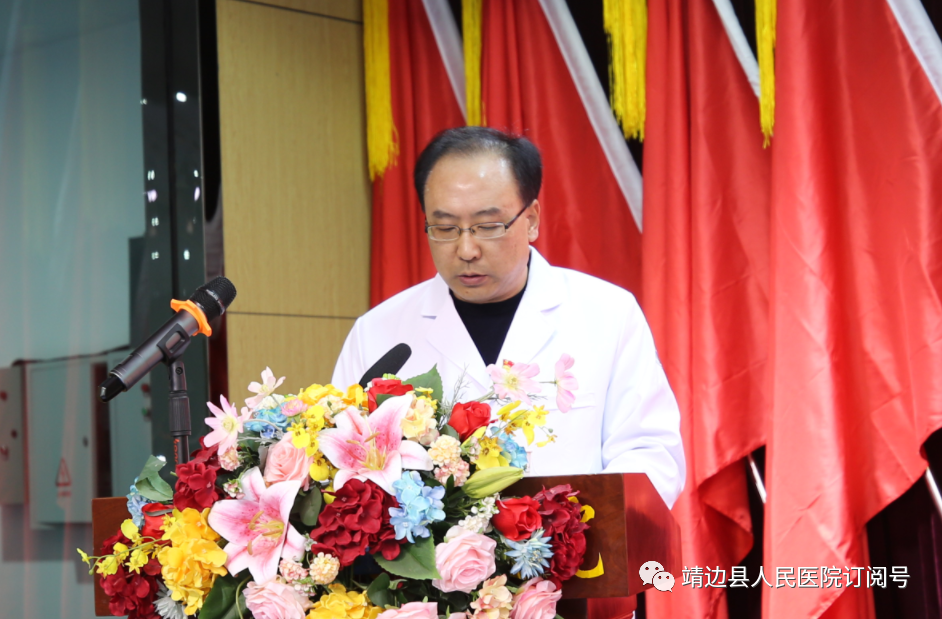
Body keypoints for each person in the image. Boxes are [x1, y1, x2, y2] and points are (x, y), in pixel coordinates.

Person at [332, 127, 685, 508]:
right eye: (445, 228)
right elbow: (342, 460)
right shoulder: (378, 332)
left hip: (581, 542)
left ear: (531, 219)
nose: (467, 249)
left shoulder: (607, 313)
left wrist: (582, 526)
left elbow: (650, 453)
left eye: (488, 226)